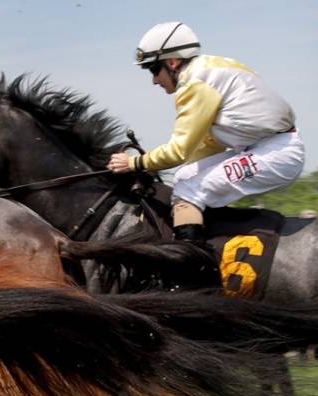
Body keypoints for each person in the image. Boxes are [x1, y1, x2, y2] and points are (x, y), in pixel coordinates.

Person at [107, 22, 304, 279]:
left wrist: (135, 163)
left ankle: (190, 277)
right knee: (184, 178)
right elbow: (207, 145)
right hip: (265, 146)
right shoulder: (211, 68)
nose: (154, 80)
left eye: (155, 69)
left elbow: (178, 150)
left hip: (276, 153)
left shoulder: (194, 84)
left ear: (174, 62)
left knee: (189, 191)